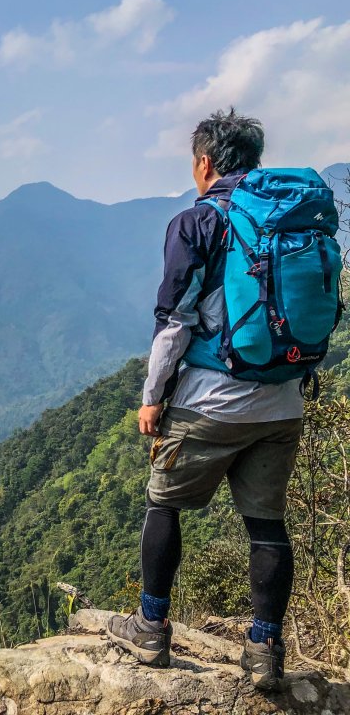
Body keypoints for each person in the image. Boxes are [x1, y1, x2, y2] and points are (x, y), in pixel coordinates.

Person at [106, 108, 303, 691]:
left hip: (209, 402)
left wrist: (152, 398)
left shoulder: (198, 222)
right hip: (282, 404)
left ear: (206, 162)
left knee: (162, 504)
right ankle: (265, 649)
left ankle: (151, 627)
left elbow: (174, 321)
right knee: (267, 526)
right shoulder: (289, 222)